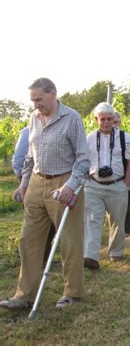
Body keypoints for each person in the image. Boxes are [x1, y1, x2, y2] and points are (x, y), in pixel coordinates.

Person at [1, 78, 90, 310]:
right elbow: (31, 157)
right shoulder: (34, 118)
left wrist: (70, 186)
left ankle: (73, 293)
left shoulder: (71, 119)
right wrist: (24, 185)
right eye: (32, 100)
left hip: (64, 182)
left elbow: (83, 159)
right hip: (37, 184)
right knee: (27, 239)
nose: (35, 104)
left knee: (69, 242)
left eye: (38, 99)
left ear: (53, 94)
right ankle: (24, 295)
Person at [83, 103, 130, 270]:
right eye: (102, 119)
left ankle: (116, 252)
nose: (105, 123)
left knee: (117, 221)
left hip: (117, 185)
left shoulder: (124, 137)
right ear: (96, 119)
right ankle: (90, 256)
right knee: (92, 220)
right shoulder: (89, 138)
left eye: (109, 119)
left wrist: (126, 184)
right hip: (93, 186)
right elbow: (83, 161)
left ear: (114, 119)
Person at [11, 127, 56, 266]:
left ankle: (43, 257)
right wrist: (25, 181)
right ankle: (34, 259)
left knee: (51, 223)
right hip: (33, 182)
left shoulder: (58, 129)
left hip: (55, 182)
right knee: (35, 221)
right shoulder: (28, 131)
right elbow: (18, 160)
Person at [112, 112, 130, 237]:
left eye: (116, 122)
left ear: (120, 123)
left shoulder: (124, 138)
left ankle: (127, 231)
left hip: (124, 174)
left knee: (124, 204)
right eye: (112, 122)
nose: (114, 125)